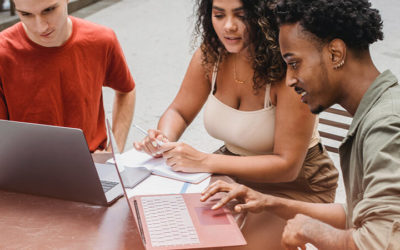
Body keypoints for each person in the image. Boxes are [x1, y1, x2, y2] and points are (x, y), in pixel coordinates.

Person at [135, 0, 338, 248]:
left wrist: (204, 161)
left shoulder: (289, 70)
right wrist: (163, 139)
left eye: (241, 15)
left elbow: (287, 166)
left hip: (296, 185)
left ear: (263, 17)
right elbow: (179, 111)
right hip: (230, 173)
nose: (228, 26)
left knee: (232, 245)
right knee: (168, 228)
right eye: (219, 15)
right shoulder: (210, 56)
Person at [201, 0, 400, 249]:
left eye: (294, 63)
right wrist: (270, 202)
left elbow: (380, 242)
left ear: (335, 54)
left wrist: (311, 230)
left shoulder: (386, 127)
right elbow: (365, 215)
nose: (289, 80)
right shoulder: (375, 112)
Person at [0, 0, 136, 153]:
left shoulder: (101, 40)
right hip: (26, 169)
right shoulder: (3, 53)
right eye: (26, 14)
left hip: (92, 164)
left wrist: (114, 151)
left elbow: (126, 90)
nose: (40, 26)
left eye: (49, 10)